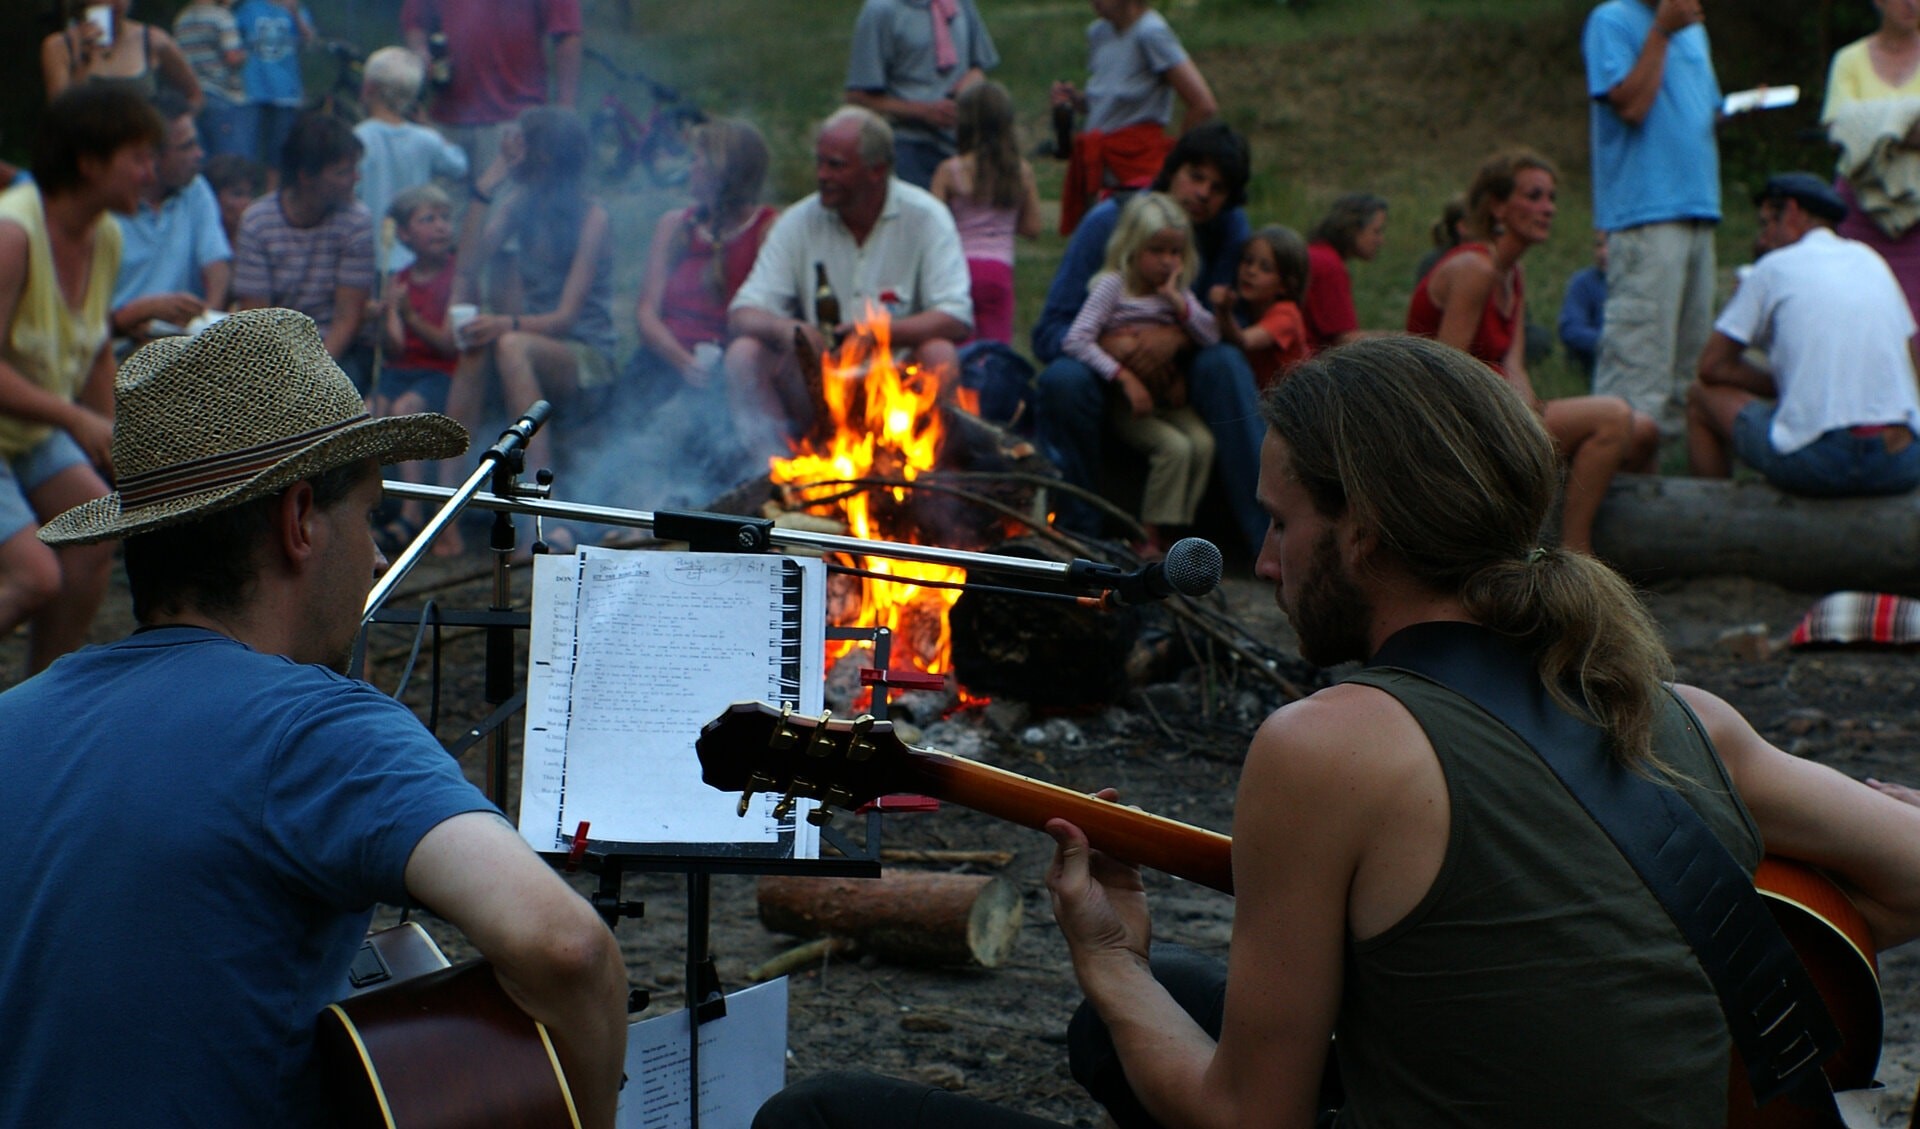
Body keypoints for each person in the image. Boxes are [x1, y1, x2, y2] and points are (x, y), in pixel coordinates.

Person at [753, 334, 1920, 1128]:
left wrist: (1106, 957)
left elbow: (1243, 1118)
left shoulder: (1331, 748)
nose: (1263, 559)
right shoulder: (1679, 712)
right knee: (1167, 1006)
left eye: (1280, 519)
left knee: (820, 1115)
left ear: (1363, 533)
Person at [0, 306, 629, 1126]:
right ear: (299, 521)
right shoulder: (318, 730)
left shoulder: (14, 717)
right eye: (367, 511)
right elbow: (567, 948)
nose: (374, 554)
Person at [1406, 149, 1657, 556]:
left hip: (1503, 412)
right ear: (1498, 207)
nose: (1549, 208)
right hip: (1457, 424)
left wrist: (1529, 416)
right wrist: (1522, 426)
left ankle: (1623, 535)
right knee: (1612, 416)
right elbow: (1446, 376)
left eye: (1552, 198)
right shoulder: (1475, 269)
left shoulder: (1512, 273)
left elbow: (1513, 364)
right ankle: (1576, 553)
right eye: (1535, 196)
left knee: (1645, 429)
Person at [1032, 123, 1260, 553]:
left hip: (1183, 371)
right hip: (1108, 372)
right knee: (1063, 381)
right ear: (1171, 171)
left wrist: (1176, 337)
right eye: (1196, 176)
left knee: (1226, 365)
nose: (1204, 194)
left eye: (1219, 187)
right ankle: (1080, 533)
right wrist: (1115, 348)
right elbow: (1050, 332)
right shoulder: (1111, 221)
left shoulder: (1228, 228)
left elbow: (1231, 325)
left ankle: (1265, 535)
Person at [0, 86, 162, 679]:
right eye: (139, 156)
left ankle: (36, 705)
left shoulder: (105, 235)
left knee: (95, 531)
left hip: (23, 430)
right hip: (25, 424)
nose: (151, 172)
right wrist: (75, 420)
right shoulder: (12, 235)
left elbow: (93, 349)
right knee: (31, 576)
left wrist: (123, 443)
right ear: (89, 162)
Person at [725, 105, 972, 460]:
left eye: (836, 165)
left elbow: (956, 317)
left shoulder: (926, 217)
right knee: (744, 355)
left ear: (877, 171)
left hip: (896, 384)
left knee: (939, 353)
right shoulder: (799, 221)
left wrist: (876, 333)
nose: (822, 175)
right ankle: (775, 473)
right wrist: (788, 328)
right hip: (818, 388)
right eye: (820, 162)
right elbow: (742, 314)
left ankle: (920, 474)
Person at [442, 106, 616, 551]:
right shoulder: (521, 205)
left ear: (545, 156)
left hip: (585, 355)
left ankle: (537, 512)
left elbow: (567, 317)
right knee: (478, 346)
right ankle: (446, 516)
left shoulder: (592, 216)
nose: (514, 153)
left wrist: (505, 323)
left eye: (522, 148)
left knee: (510, 344)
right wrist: (489, 183)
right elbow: (468, 264)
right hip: (525, 340)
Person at [1688, 172, 1920, 497]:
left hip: (1820, 462)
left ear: (1793, 212)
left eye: (1766, 224)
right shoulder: (1872, 261)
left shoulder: (1772, 267)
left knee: (1700, 397)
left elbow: (1711, 366)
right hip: (1901, 459)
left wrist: (1779, 384)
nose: (1762, 239)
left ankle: (1712, 522)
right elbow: (1912, 358)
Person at [1584, 0, 1722, 440]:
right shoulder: (1613, 19)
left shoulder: (1694, 29)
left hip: (1700, 209)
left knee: (1691, 376)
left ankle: (1673, 500)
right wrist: (1661, 31)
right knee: (1637, 378)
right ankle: (1623, 496)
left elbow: (1707, 110)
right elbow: (1632, 106)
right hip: (1647, 215)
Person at [1061, 191, 1218, 558]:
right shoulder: (1113, 287)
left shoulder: (1176, 293)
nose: (1168, 261)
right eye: (1157, 251)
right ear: (1132, 246)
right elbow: (1076, 339)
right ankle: (1148, 535)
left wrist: (1179, 306)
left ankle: (1176, 531)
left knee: (1204, 443)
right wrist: (1124, 377)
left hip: (1169, 399)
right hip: (1130, 404)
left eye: (1175, 252)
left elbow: (1210, 335)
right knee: (1175, 448)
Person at [632, 117, 777, 418]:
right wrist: (682, 361)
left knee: (668, 435)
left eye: (696, 160)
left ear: (719, 170)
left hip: (723, 373)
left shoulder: (767, 230)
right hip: (664, 362)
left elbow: (772, 315)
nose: (690, 169)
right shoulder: (674, 225)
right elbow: (646, 312)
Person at [1051, 0, 1218, 236]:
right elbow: (1110, 102)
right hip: (1099, 172)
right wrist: (1076, 102)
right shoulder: (1099, 33)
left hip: (1137, 172)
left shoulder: (1151, 33)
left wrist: (1176, 165)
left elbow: (1202, 104)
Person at [232, 113, 374, 387]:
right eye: (343, 172)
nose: (354, 179)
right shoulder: (258, 222)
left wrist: (313, 376)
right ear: (306, 176)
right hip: (276, 351)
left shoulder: (356, 221)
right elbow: (255, 316)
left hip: (336, 351)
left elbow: (347, 318)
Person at [399, 0, 582, 178]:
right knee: (439, 205)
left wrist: (564, 110)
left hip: (513, 119)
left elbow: (566, 32)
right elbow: (415, 20)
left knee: (503, 204)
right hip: (445, 117)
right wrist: (419, 52)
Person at [1821, 0, 1920, 328]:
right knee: (1858, 312)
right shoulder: (1849, 60)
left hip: (1917, 210)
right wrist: (1906, 121)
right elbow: (1838, 129)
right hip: (1860, 207)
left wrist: (1870, 126)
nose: (1911, 3)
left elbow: (1854, 125)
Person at [108, 91, 232, 346]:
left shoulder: (195, 188)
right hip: (116, 345)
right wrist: (141, 314)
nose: (199, 154)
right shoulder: (105, 207)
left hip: (181, 345)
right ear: (152, 157)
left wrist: (204, 322)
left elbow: (217, 265)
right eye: (187, 146)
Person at [374, 183, 459, 549]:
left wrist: (410, 315)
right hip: (400, 372)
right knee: (368, 411)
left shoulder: (456, 275)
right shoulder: (399, 280)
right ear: (405, 234)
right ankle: (368, 515)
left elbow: (446, 343)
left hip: (439, 373)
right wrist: (386, 315)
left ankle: (412, 515)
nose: (441, 226)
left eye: (444, 218)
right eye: (428, 219)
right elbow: (393, 349)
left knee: (405, 409)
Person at [929, 81, 1041, 346]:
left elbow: (932, 226)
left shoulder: (949, 171)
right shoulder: (1020, 171)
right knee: (995, 352)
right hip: (998, 269)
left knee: (958, 349)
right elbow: (1033, 227)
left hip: (957, 268)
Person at [843, 0, 999, 189]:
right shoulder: (881, 11)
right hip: (909, 144)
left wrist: (964, 91)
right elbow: (859, 98)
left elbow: (978, 67)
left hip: (963, 142)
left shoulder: (960, 4)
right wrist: (924, 112)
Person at [353, 45, 469, 275]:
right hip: (415, 254)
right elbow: (459, 165)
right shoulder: (425, 138)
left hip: (369, 253)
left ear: (368, 88)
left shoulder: (357, 138)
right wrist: (428, 127)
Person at [40, 0, 203, 110]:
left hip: (144, 152)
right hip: (90, 151)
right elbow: (59, 115)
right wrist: (84, 61)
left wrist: (171, 135)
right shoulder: (60, 46)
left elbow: (195, 95)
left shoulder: (153, 40)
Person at [1210, 223, 1311, 392]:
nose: (1251, 271)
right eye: (1248, 261)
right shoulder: (1247, 308)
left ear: (1285, 285)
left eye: (1265, 268)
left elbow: (1243, 341)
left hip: (1293, 405)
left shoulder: (1286, 314)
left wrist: (1223, 311)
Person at [233, 0, 314, 171]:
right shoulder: (250, 7)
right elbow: (233, 38)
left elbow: (308, 40)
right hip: (252, 89)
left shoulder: (295, 9)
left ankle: (273, 193)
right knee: (247, 149)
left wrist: (295, 13)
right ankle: (247, 191)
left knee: (278, 153)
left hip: (285, 91)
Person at [1301, 191, 1387, 351]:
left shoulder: (1317, 254)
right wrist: (1403, 341)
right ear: (1354, 229)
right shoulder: (1329, 265)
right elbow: (1346, 340)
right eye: (1376, 231)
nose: (1381, 240)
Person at [172, 0, 249, 158]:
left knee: (202, 159)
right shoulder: (221, 17)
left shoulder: (182, 19)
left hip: (193, 98)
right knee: (231, 161)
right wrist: (246, 54)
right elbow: (232, 58)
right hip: (222, 95)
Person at [1559, 230, 1609, 379]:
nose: (1603, 253)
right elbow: (1570, 329)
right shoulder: (1583, 282)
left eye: (1611, 246)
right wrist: (1610, 341)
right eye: (1599, 245)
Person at [204, 150, 264, 246]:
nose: (247, 202)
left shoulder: (259, 241)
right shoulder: (199, 241)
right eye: (238, 194)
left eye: (250, 194)